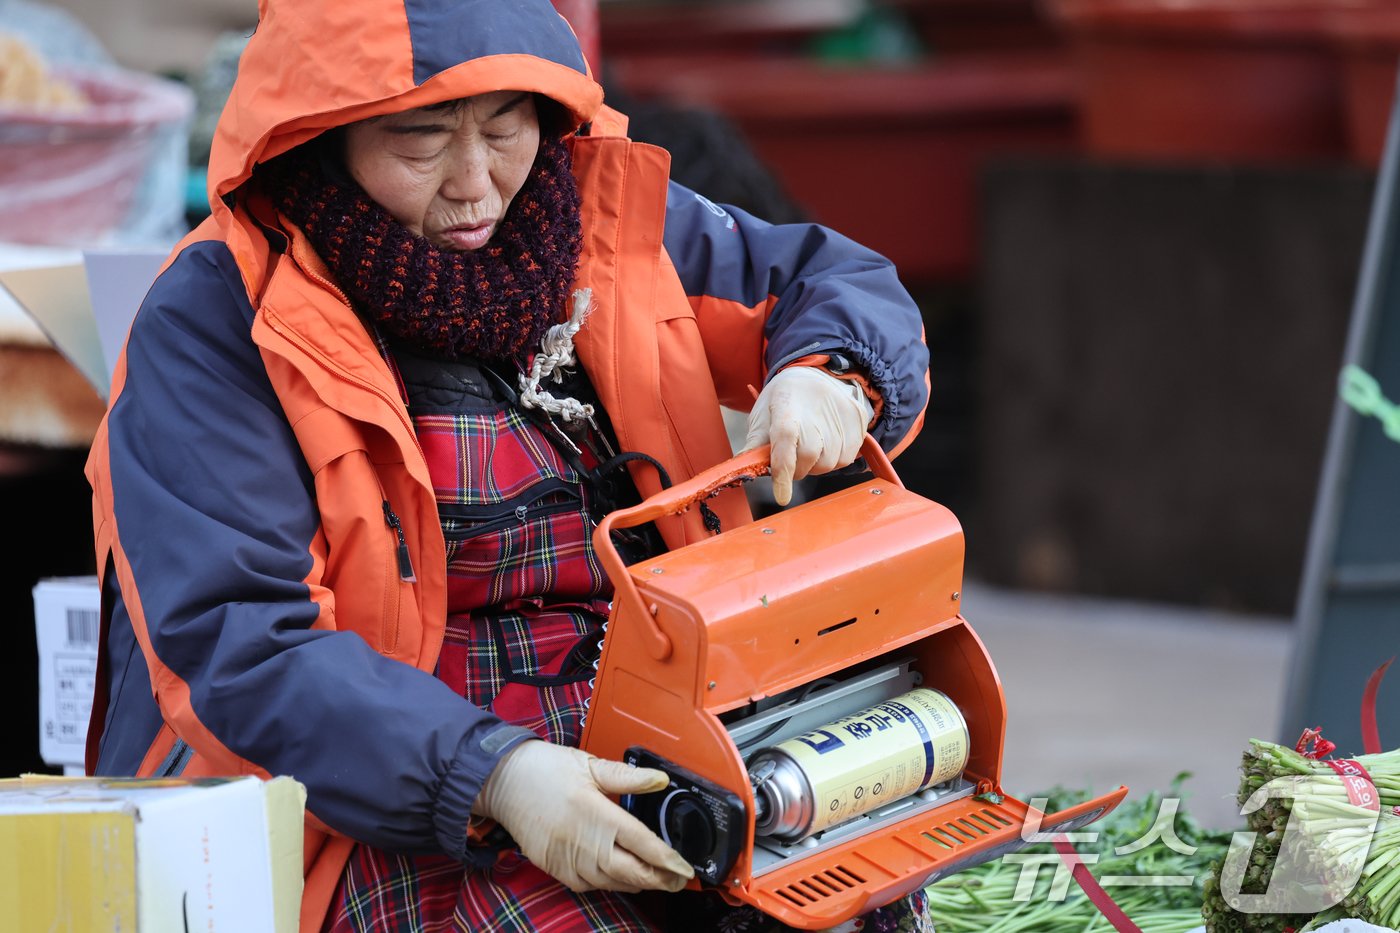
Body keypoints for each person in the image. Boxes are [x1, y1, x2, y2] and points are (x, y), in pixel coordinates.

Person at [84, 1, 931, 931]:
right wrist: (498, 774)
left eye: (505, 126)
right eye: (421, 139)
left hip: (665, 724)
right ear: (322, 136)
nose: (476, 183)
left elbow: (826, 279)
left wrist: (833, 376)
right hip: (378, 796)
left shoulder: (599, 221)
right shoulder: (217, 321)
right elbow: (244, 643)